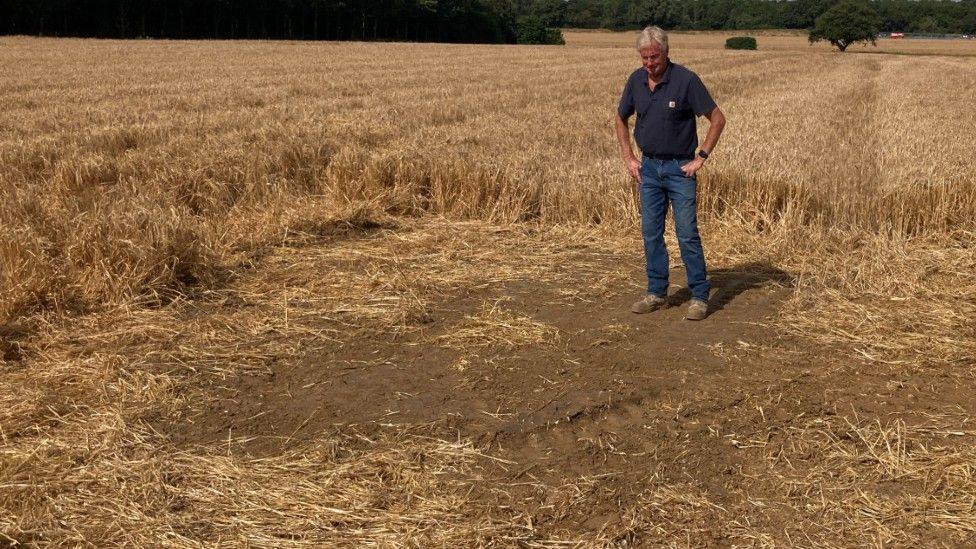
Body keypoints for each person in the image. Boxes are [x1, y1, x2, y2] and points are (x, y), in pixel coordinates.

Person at [614, 26, 726, 321]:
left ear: (666, 52)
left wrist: (701, 157)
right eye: (645, 58)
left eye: (654, 57)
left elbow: (717, 118)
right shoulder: (636, 81)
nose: (650, 63)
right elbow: (620, 118)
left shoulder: (686, 80)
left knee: (687, 234)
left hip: (680, 170)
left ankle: (700, 296)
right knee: (651, 233)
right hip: (648, 169)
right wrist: (628, 156)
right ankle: (656, 292)